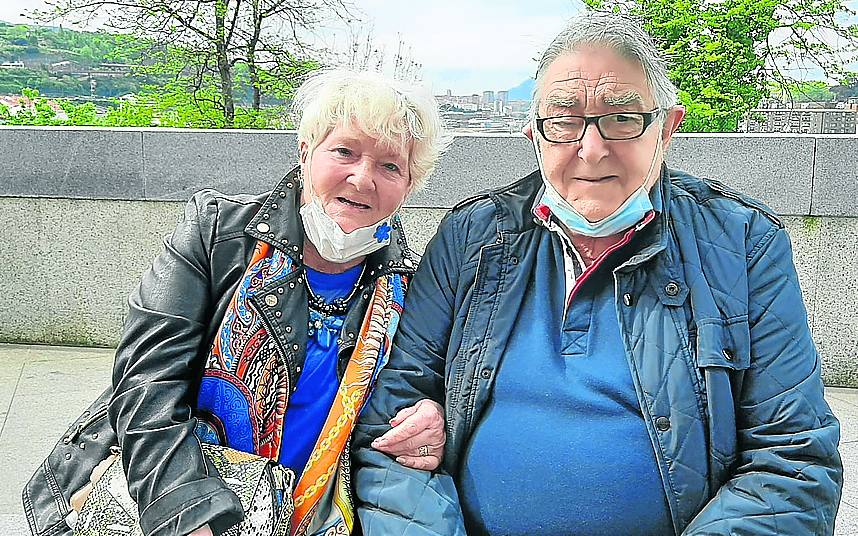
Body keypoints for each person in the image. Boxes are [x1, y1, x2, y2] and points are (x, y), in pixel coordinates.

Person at [352, 11, 843, 536]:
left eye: (622, 117)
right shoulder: (472, 239)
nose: (591, 149)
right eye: (564, 120)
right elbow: (389, 435)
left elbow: (793, 460)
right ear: (534, 135)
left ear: (667, 128)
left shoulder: (740, 245)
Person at [68, 69, 447, 536]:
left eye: (391, 166)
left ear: (409, 185)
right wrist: (184, 511)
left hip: (321, 513)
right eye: (344, 151)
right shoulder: (216, 233)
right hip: (192, 497)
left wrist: (432, 417)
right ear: (306, 151)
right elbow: (148, 378)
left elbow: (425, 386)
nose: (363, 178)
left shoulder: (415, 282)